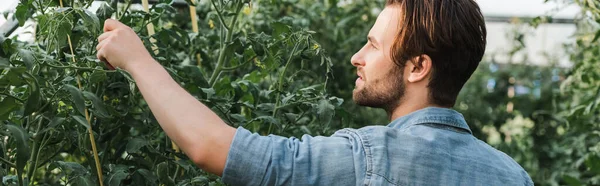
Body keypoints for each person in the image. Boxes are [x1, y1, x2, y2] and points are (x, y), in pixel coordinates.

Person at [96, 0, 533, 185]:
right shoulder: (514, 177)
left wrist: (138, 59)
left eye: (375, 46)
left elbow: (212, 147)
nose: (357, 57)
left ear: (418, 67)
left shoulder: (369, 158)